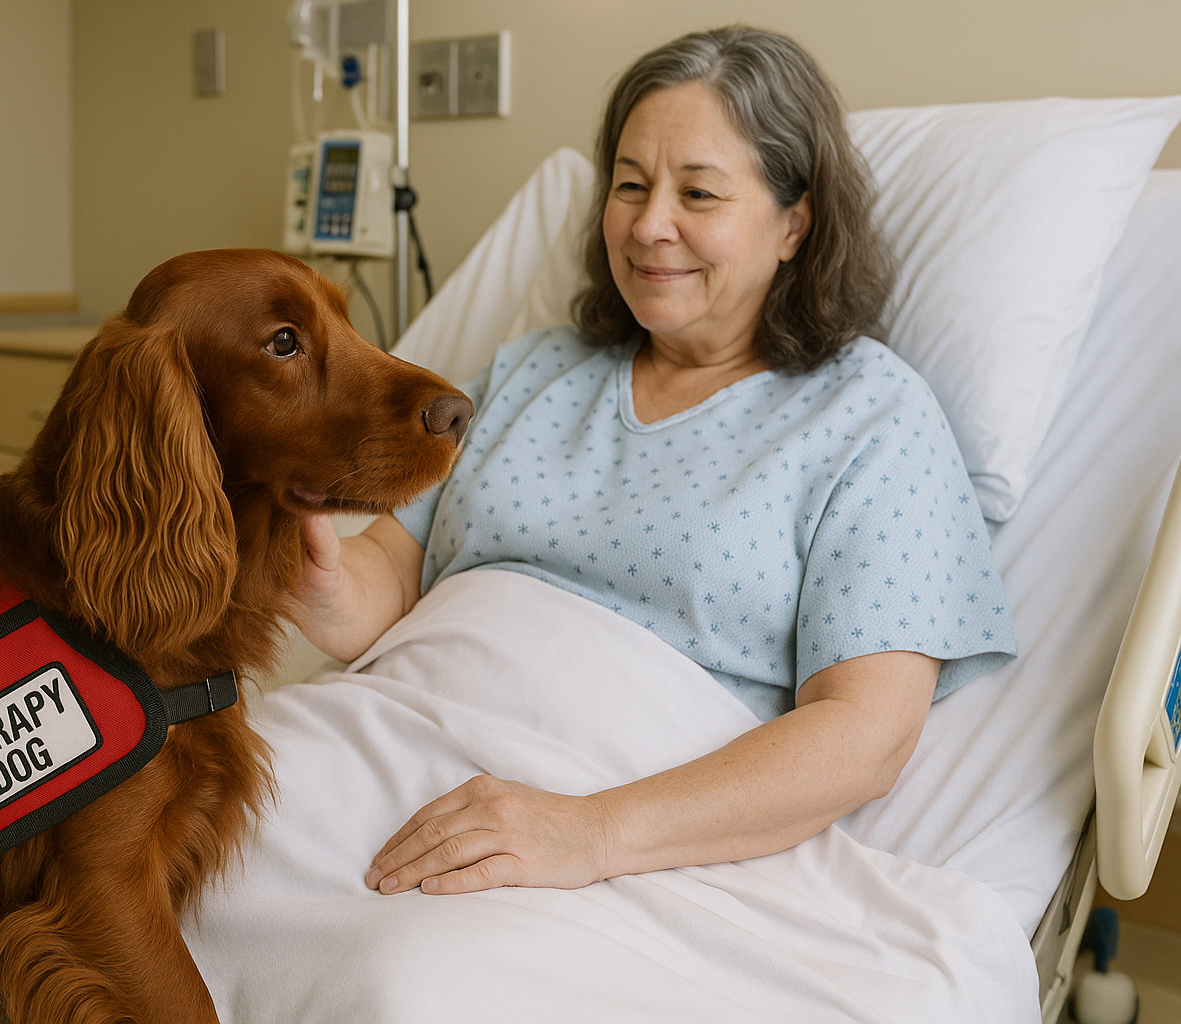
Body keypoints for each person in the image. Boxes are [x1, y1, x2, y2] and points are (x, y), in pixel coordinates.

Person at [288, 25, 1015, 899]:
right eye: (629, 185)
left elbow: (865, 736)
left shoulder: (871, 417)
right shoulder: (531, 370)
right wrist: (321, 579)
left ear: (795, 223)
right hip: (379, 743)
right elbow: (386, 579)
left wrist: (590, 831)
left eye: (698, 193)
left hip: (623, 833)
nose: (647, 224)